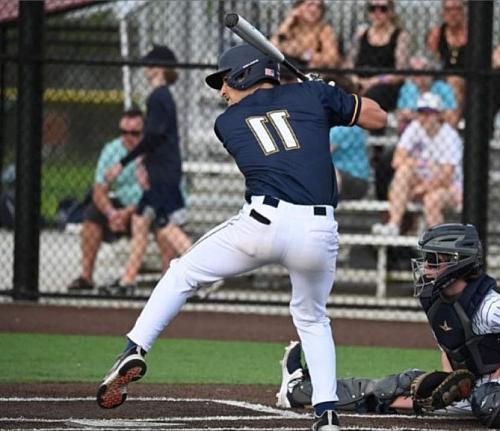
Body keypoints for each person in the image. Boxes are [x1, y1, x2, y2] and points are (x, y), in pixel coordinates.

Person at [95, 43, 387, 431]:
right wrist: (331, 93)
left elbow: (281, 115)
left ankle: (133, 350)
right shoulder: (312, 94)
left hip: (262, 224)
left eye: (226, 81)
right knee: (313, 318)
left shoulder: (228, 123)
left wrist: (318, 95)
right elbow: (378, 118)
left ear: (246, 75)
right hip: (318, 231)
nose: (222, 92)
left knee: (183, 273)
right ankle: (327, 414)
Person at [277, 223, 500, 429]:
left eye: (433, 261)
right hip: (472, 392)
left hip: (491, 391)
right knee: (389, 390)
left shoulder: (490, 306)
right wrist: (450, 384)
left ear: (457, 261)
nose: (425, 268)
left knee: (489, 403)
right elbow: (450, 349)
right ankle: (297, 390)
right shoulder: (439, 303)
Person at [105, 44, 192, 292]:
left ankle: (205, 272)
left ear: (161, 69)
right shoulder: (160, 97)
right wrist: (143, 162)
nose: (147, 69)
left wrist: (123, 163)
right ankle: (128, 280)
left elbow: (152, 138)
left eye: (151, 65)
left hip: (163, 170)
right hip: (161, 167)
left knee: (166, 224)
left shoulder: (158, 96)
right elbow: (156, 138)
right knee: (140, 219)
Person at [67, 109, 146, 291]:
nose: (128, 137)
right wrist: (112, 214)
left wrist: (127, 213)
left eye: (134, 133)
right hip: (119, 206)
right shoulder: (112, 150)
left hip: (146, 205)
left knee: (146, 216)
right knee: (92, 216)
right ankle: (86, 277)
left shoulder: (152, 150)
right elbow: (99, 190)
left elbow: (155, 194)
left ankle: (136, 280)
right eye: (123, 132)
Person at [372, 92, 462, 236]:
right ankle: (393, 224)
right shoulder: (415, 128)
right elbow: (397, 160)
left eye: (429, 113)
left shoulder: (449, 136)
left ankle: (439, 246)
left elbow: (447, 176)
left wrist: (422, 188)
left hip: (448, 187)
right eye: (421, 112)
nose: (424, 117)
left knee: (431, 200)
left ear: (439, 115)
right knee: (403, 172)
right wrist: (419, 164)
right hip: (421, 180)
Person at [345, 0, 410, 113]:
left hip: (384, 84)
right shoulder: (361, 34)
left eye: (383, 9)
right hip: (359, 81)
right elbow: (349, 62)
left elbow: (400, 72)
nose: (377, 12)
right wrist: (355, 79)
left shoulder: (399, 36)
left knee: (372, 96)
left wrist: (375, 81)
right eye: (372, 8)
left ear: (391, 12)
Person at [426, 0, 467, 123]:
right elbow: (431, 60)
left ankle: (449, 128)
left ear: (463, 11)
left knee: (456, 82)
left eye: (457, 9)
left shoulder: (473, 32)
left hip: (466, 78)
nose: (452, 13)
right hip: (441, 77)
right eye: (448, 10)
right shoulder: (437, 34)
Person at [271, 0, 340, 71]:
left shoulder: (324, 29)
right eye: (310, 4)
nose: (314, 9)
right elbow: (272, 46)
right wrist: (288, 21)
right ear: (298, 7)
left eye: (319, 7)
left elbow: (332, 59)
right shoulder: (292, 27)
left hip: (311, 70)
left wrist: (303, 54)